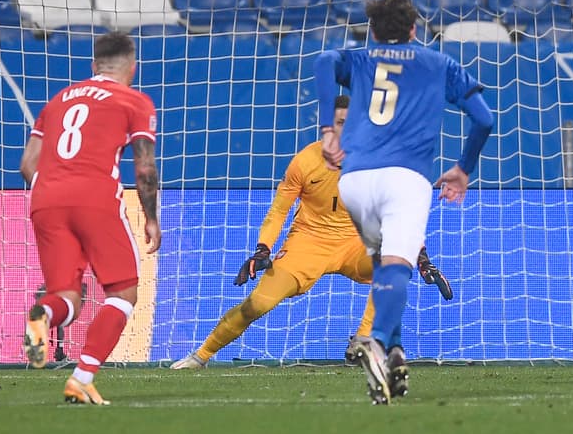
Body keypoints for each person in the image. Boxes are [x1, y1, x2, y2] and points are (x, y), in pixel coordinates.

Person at [169, 95, 452, 372]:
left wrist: (422, 258)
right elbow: (279, 210)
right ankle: (201, 355)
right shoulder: (305, 162)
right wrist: (263, 248)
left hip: (355, 243)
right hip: (309, 242)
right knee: (258, 303)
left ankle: (362, 340)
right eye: (340, 122)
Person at [316, 0, 494, 404]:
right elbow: (485, 118)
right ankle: (376, 343)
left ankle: (394, 352)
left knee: (381, 264)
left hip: (354, 180)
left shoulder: (360, 59)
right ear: (414, 30)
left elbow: (325, 60)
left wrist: (328, 129)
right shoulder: (438, 63)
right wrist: (463, 168)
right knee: (398, 265)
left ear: (373, 31)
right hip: (405, 179)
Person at [19, 31, 161, 405]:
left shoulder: (59, 100)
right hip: (94, 197)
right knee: (123, 291)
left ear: (93, 66)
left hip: (46, 199)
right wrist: (151, 217)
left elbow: (27, 165)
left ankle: (43, 314)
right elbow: (144, 168)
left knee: (66, 297)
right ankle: (81, 378)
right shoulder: (134, 100)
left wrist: (59, 187)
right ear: (133, 68)